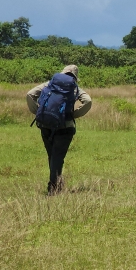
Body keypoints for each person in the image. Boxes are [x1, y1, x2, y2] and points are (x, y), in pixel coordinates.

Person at [27, 65, 92, 195]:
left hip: (45, 124)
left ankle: (56, 183)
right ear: (74, 76)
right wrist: (74, 115)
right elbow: (88, 101)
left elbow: (29, 94)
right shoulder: (74, 87)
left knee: (52, 155)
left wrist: (38, 112)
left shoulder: (49, 84)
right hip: (64, 127)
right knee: (58, 157)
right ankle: (53, 187)